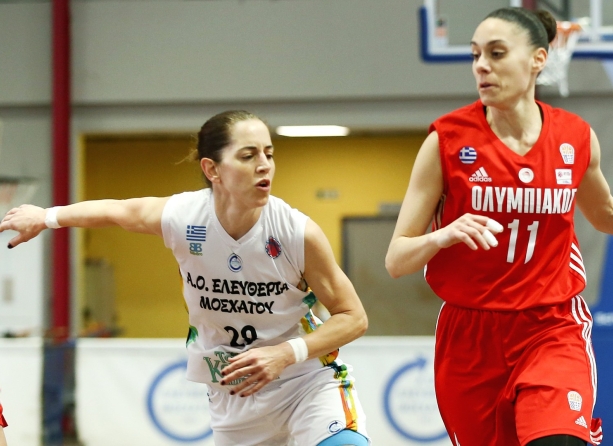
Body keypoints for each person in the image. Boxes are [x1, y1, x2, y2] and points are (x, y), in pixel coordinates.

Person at [385, 7, 613, 446]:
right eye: (476, 55)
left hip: (551, 326)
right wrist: (444, 234)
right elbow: (396, 259)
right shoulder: (446, 141)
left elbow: (610, 215)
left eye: (497, 53)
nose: (482, 66)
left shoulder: (575, 137)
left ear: (538, 59)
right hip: (470, 336)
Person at [0, 110, 370, 446]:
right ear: (212, 170)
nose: (264, 166)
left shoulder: (296, 232)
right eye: (248, 155)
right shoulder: (184, 217)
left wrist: (286, 353)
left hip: (305, 383)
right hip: (233, 395)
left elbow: (353, 317)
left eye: (269, 154)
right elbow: (117, 210)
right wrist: (46, 217)